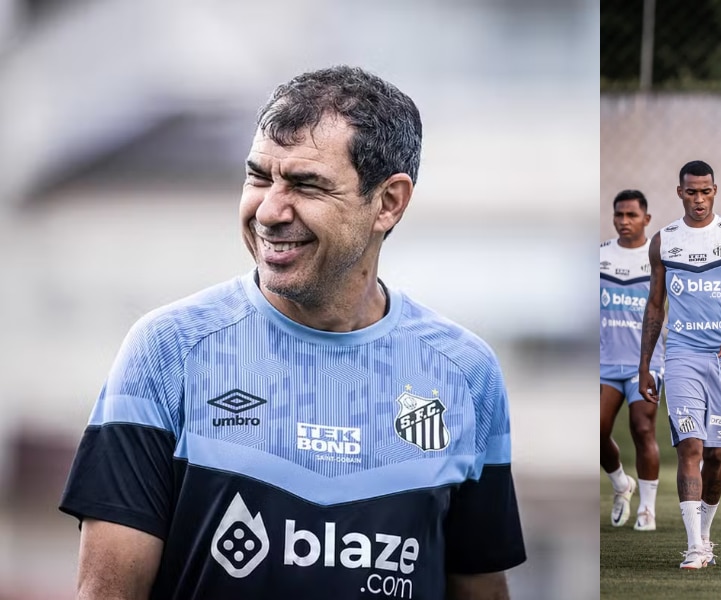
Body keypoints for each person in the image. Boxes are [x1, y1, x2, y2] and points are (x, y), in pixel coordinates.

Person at [58, 66, 525, 598]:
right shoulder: (168, 352)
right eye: (259, 177)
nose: (271, 211)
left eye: (306, 185)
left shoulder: (465, 373)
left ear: (389, 202)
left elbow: (480, 586)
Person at [639, 160, 721, 570]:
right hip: (681, 357)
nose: (698, 199)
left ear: (715, 191)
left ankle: (706, 534)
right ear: (680, 193)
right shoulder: (663, 241)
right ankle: (694, 546)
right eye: (691, 192)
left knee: (715, 453)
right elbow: (655, 305)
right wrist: (646, 364)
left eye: (705, 191)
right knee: (690, 447)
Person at [601, 189, 665, 531]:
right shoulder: (599, 257)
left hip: (647, 362)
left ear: (646, 219)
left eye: (632, 215)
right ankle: (621, 484)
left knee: (642, 427)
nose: (624, 222)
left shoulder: (657, 258)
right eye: (619, 215)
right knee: (596, 431)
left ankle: (647, 509)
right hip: (604, 363)